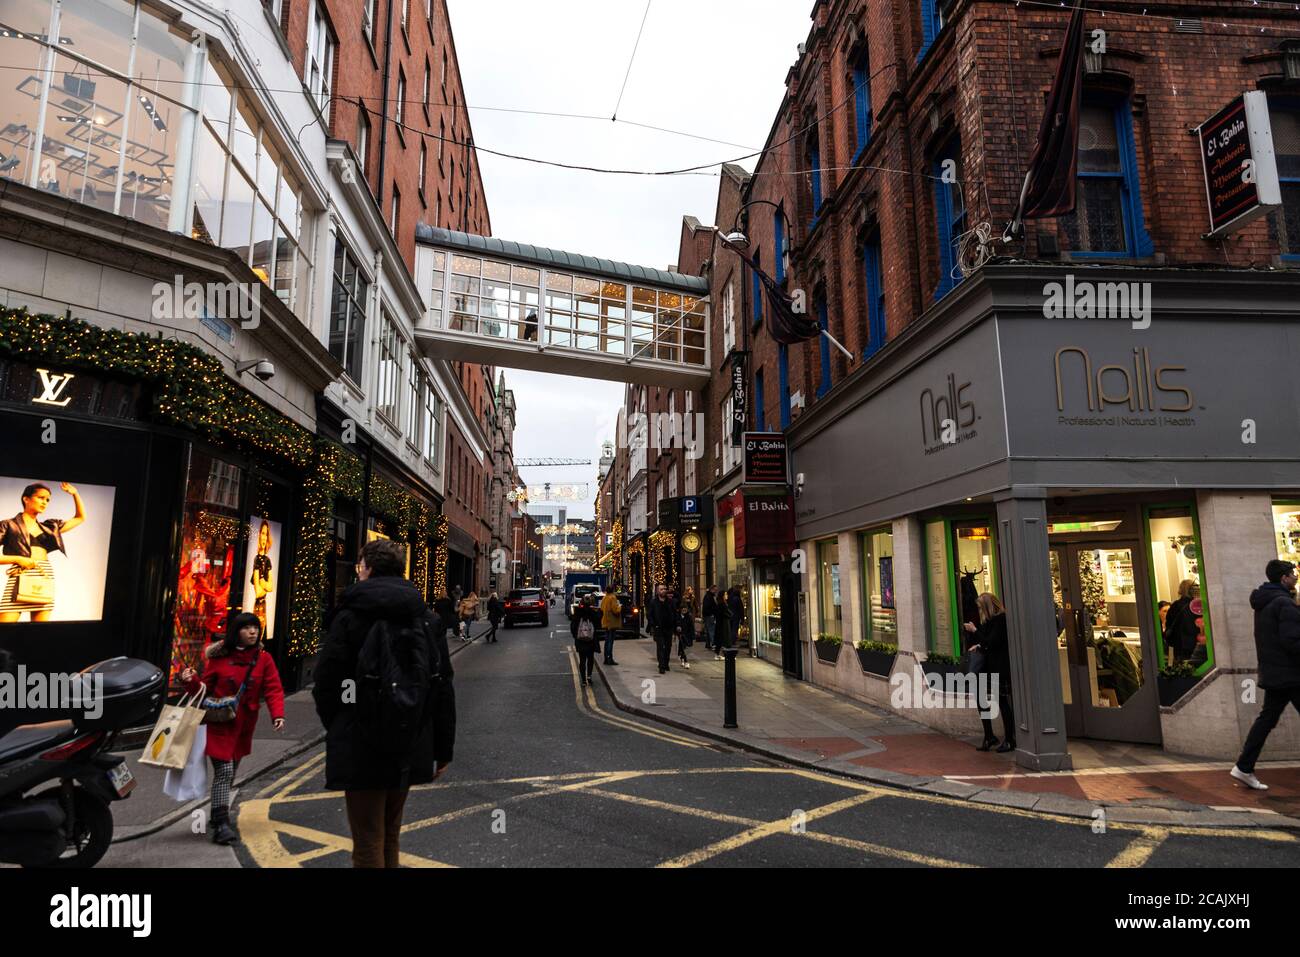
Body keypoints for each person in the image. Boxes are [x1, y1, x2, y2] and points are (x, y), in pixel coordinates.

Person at [313, 539, 455, 867]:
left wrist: (340, 723)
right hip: (409, 736)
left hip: (360, 739)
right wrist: (442, 748)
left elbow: (327, 682)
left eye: (360, 565)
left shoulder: (349, 617)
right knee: (390, 833)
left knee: (367, 840)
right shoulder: (425, 618)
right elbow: (442, 687)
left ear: (368, 568)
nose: (358, 570)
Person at [179, 611, 285, 845]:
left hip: (244, 725)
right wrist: (190, 681)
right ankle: (221, 823)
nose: (253, 632)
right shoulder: (219, 659)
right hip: (219, 723)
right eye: (247, 628)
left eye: (255, 628)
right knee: (225, 772)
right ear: (235, 632)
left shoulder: (264, 659)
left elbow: (273, 688)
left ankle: (219, 814)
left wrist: (278, 715)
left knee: (230, 772)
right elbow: (203, 690)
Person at [1230, 559, 1300, 791]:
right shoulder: (1284, 604)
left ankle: (1244, 766)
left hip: (1275, 672)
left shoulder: (1265, 602)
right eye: (1293, 573)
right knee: (1266, 720)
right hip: (1291, 674)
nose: (1296, 576)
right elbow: (1292, 641)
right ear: (1283, 578)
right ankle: (1243, 766)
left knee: (1266, 720)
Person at [0, 482, 87, 623]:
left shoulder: (50, 526)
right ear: (26, 499)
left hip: (44, 575)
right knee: (4, 630)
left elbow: (80, 518)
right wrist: (18, 559)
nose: (45, 502)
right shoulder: (8, 525)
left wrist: (75, 494)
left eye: (47, 500)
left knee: (39, 632)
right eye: (41, 497)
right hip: (21, 574)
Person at [962, 593, 1015, 753]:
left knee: (1002, 702)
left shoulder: (1000, 620)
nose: (979, 610)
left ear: (987, 606)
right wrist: (977, 645)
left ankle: (1010, 740)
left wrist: (975, 630)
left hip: (999, 666)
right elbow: (984, 642)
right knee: (981, 699)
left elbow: (991, 642)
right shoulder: (989, 621)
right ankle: (989, 735)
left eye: (980, 607)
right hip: (987, 667)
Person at [1163, 579, 1200, 662]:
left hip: (1178, 646)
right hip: (1194, 644)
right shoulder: (1197, 605)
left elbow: (1169, 624)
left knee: (1181, 667)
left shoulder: (1175, 606)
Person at [249, 520, 274, 637]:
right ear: (259, 535)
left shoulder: (268, 560)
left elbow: (271, 586)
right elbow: (258, 592)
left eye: (266, 534)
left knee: (262, 635)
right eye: (262, 533)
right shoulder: (256, 559)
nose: (264, 537)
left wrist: (262, 582)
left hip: (264, 606)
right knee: (256, 634)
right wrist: (265, 584)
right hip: (258, 605)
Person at [571, 592, 601, 685]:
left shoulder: (578, 612)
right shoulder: (592, 612)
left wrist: (575, 635)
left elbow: (573, 626)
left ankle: (583, 680)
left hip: (580, 640)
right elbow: (598, 624)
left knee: (582, 660)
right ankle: (589, 676)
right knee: (590, 659)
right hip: (591, 640)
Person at [647, 583, 677, 674]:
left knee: (668, 647)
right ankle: (661, 665)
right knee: (660, 647)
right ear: (657, 591)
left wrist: (676, 625)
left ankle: (666, 663)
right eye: (661, 589)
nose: (663, 590)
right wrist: (653, 624)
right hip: (658, 628)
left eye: (664, 589)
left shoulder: (670, 602)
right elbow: (650, 615)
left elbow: (675, 614)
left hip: (668, 628)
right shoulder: (653, 602)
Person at [600, 584, 622, 665]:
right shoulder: (613, 597)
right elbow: (615, 610)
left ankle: (606, 658)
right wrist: (619, 606)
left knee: (606, 641)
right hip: (611, 622)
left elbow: (601, 608)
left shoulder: (605, 597)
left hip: (605, 621)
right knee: (610, 641)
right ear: (613, 590)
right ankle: (610, 659)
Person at [677, 592, 696, 670]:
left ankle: (682, 658)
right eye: (683, 609)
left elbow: (691, 627)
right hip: (681, 635)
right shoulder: (678, 617)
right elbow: (676, 624)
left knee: (685, 648)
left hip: (688, 634)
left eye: (685, 609)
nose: (684, 610)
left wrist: (693, 635)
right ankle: (686, 661)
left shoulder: (689, 617)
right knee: (683, 647)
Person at [702, 585, 719, 653]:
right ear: (712, 589)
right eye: (715, 590)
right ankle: (713, 644)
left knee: (709, 630)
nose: (716, 591)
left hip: (708, 615)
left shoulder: (709, 596)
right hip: (709, 616)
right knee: (711, 630)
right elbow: (708, 607)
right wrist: (712, 613)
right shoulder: (709, 597)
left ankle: (708, 644)